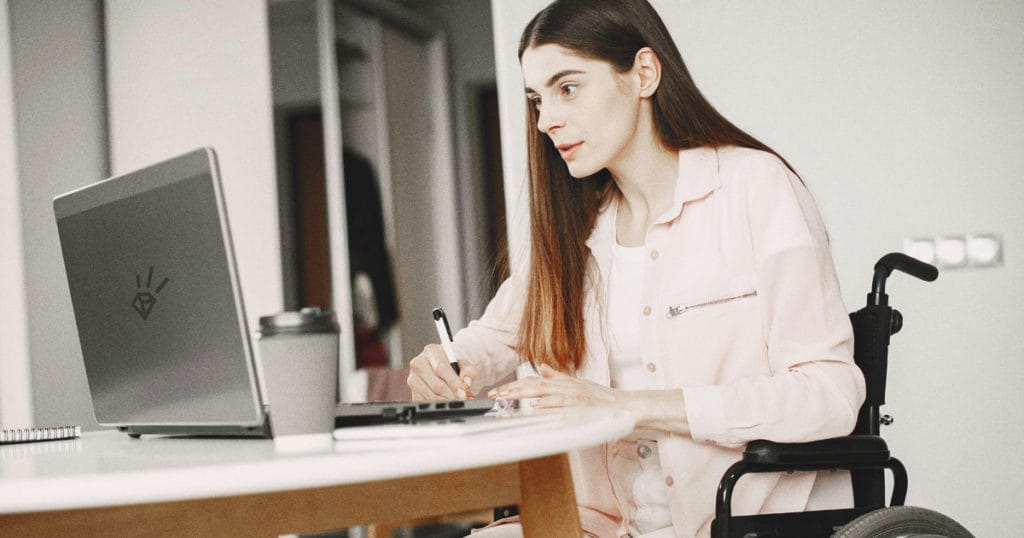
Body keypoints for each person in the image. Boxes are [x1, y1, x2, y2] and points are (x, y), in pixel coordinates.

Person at [407, 0, 865, 536]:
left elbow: (829, 395)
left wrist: (629, 407)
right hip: (601, 525)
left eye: (567, 87)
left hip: (741, 521)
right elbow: (493, 340)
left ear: (644, 73)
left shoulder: (754, 188)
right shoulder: (575, 229)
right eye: (536, 98)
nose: (546, 119)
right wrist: (448, 365)